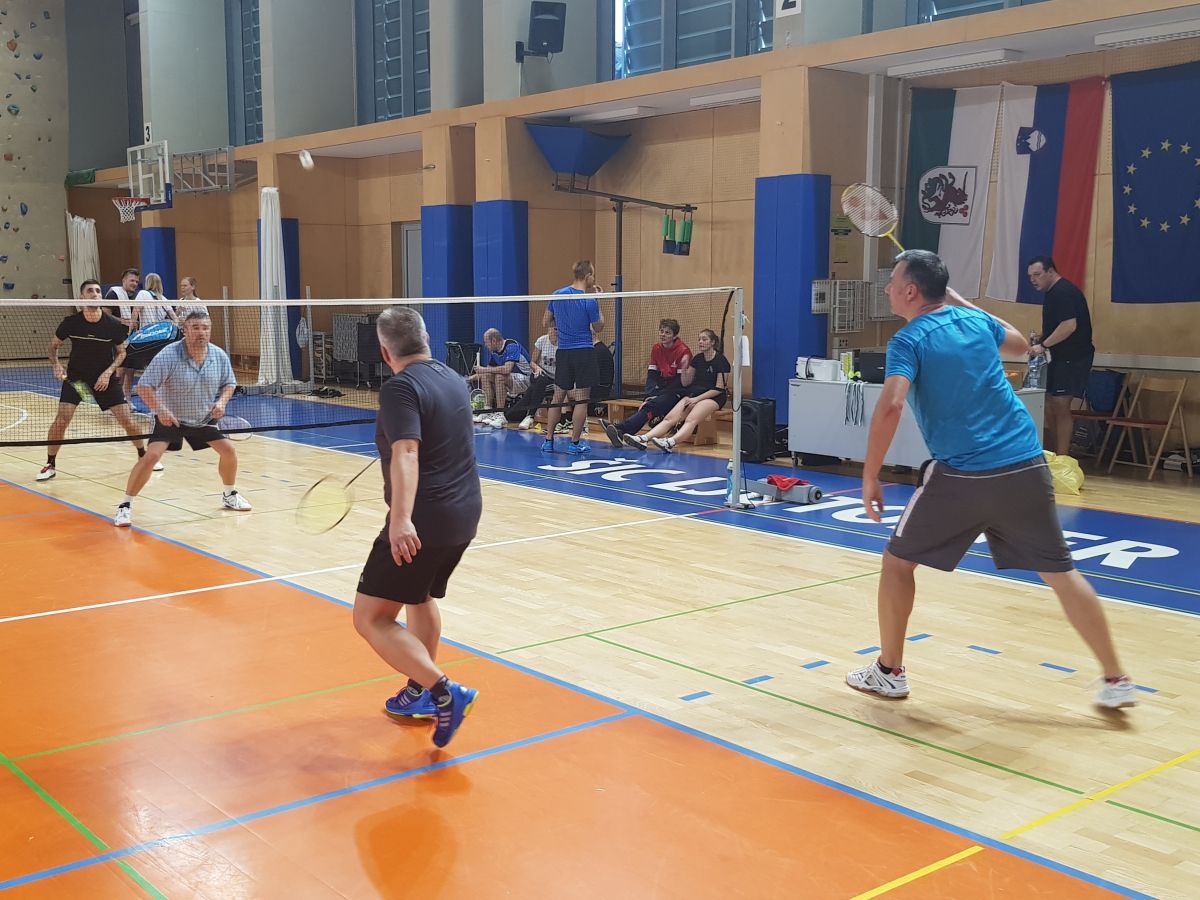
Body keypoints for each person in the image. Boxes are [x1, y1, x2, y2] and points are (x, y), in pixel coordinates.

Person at [845, 250, 1134, 709]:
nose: (887, 289)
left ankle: (889, 672)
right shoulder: (975, 322)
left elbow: (892, 405)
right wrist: (962, 302)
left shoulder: (908, 340)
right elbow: (1020, 345)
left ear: (911, 291)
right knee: (1061, 573)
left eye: (892, 282)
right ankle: (1117, 679)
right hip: (1026, 464)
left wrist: (870, 475)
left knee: (898, 563)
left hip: (963, 474)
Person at [352, 305, 480, 749]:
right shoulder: (452, 378)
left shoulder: (399, 388)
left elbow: (408, 452)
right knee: (419, 595)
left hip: (424, 520)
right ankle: (421, 692)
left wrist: (401, 519)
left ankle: (444, 692)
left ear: (385, 352)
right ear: (425, 339)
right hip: (464, 514)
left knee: (370, 617)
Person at [113, 311, 252, 527]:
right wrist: (160, 410)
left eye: (205, 328)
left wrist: (222, 403)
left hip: (202, 418)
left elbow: (229, 383)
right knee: (151, 457)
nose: (201, 332)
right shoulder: (168, 355)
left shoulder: (218, 355)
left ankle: (229, 495)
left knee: (228, 451)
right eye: (195, 327)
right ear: (185, 330)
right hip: (171, 418)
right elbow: (144, 387)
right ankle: (125, 506)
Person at [37, 280, 162, 481]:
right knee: (61, 420)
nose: (95, 294)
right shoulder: (71, 322)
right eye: (90, 291)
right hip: (76, 379)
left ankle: (144, 455)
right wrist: (56, 365)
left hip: (105, 378)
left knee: (126, 420)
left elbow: (122, 352)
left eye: (97, 291)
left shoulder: (112, 325)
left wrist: (108, 372)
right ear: (82, 297)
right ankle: (50, 464)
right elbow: (53, 347)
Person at [1027, 256, 1095, 456]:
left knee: (1060, 405)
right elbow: (1059, 325)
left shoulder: (1062, 292)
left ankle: (1063, 457)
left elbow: (1069, 326)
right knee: (1048, 404)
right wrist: (1042, 338)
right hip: (1058, 357)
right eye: (1030, 276)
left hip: (1072, 357)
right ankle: (1053, 452)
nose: (1033, 280)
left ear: (1050, 272)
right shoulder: (1052, 293)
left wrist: (1043, 345)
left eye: (1037, 274)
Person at [624, 329, 729, 453]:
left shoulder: (721, 361)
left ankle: (670, 442)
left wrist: (696, 399)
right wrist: (683, 368)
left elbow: (719, 388)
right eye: (699, 339)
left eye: (704, 339)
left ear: (712, 342)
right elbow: (686, 383)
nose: (700, 342)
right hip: (694, 395)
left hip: (713, 397)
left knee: (691, 419)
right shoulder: (697, 359)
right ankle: (643, 438)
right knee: (670, 418)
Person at [542, 260, 603, 454]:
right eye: (593, 275)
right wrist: (598, 300)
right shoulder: (589, 300)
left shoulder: (557, 294)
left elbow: (545, 321)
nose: (594, 278)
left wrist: (559, 327)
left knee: (557, 398)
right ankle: (574, 444)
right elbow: (599, 327)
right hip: (584, 352)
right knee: (582, 399)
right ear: (588, 277)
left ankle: (548, 441)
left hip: (564, 352)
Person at [600, 319, 691, 448]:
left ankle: (621, 429)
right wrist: (649, 395)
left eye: (667, 332)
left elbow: (680, 382)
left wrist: (656, 397)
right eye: (661, 331)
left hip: (677, 391)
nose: (663, 335)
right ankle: (621, 431)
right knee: (649, 406)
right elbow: (652, 375)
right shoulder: (657, 348)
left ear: (675, 335)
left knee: (651, 406)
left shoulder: (683, 351)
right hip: (662, 388)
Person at [468, 327, 532, 428]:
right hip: (511, 379)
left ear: (494, 340)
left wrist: (484, 369)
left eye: (486, 342)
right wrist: (470, 378)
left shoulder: (512, 346)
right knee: (485, 376)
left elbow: (507, 369)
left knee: (499, 377)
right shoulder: (494, 352)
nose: (485, 345)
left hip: (526, 379)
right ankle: (487, 411)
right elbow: (487, 371)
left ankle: (500, 414)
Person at [509, 323, 558, 430]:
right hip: (539, 373)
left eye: (557, 329)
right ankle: (530, 417)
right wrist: (537, 368)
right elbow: (532, 362)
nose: (555, 331)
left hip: (554, 379)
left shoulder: (563, 344)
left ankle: (519, 415)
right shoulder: (542, 340)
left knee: (532, 389)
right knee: (540, 380)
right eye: (553, 329)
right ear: (549, 329)